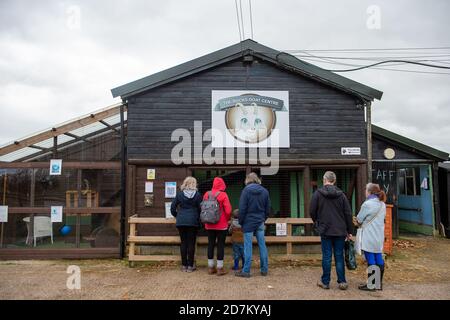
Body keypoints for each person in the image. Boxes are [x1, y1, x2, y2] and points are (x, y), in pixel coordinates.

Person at [310, 171, 353, 290]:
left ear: (324, 180)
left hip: (325, 229)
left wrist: (317, 222)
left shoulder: (317, 194)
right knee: (339, 256)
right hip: (340, 230)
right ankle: (342, 282)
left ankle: (325, 282)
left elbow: (312, 211)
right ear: (334, 180)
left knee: (327, 256)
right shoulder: (342, 195)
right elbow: (348, 213)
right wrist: (349, 231)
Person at [235, 172, 270, 278]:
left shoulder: (246, 191)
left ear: (248, 180)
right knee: (262, 245)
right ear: (257, 180)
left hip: (248, 222)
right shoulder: (264, 191)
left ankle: (246, 271)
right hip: (260, 222)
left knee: (248, 247)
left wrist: (241, 222)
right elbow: (268, 209)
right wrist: (263, 218)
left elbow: (242, 208)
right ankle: (264, 270)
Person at [356, 183, 386, 291]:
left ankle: (372, 285)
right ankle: (378, 283)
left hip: (369, 235)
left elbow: (359, 219)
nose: (365, 191)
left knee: (370, 258)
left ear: (369, 192)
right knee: (378, 256)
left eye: (365, 190)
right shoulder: (382, 204)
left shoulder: (367, 204)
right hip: (379, 236)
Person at [170, 176, 202, 272]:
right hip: (193, 221)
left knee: (183, 243)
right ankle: (190, 266)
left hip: (181, 221)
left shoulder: (179, 195)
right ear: (194, 184)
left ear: (185, 183)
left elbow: (172, 208)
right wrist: (197, 217)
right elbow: (201, 209)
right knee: (191, 243)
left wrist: (178, 215)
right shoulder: (197, 195)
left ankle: (184, 265)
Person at [203, 177, 232, 276]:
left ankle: (211, 267)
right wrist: (227, 219)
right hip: (221, 225)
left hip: (209, 224)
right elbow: (228, 211)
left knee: (210, 244)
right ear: (222, 185)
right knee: (220, 245)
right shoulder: (223, 195)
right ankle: (220, 268)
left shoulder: (206, 194)